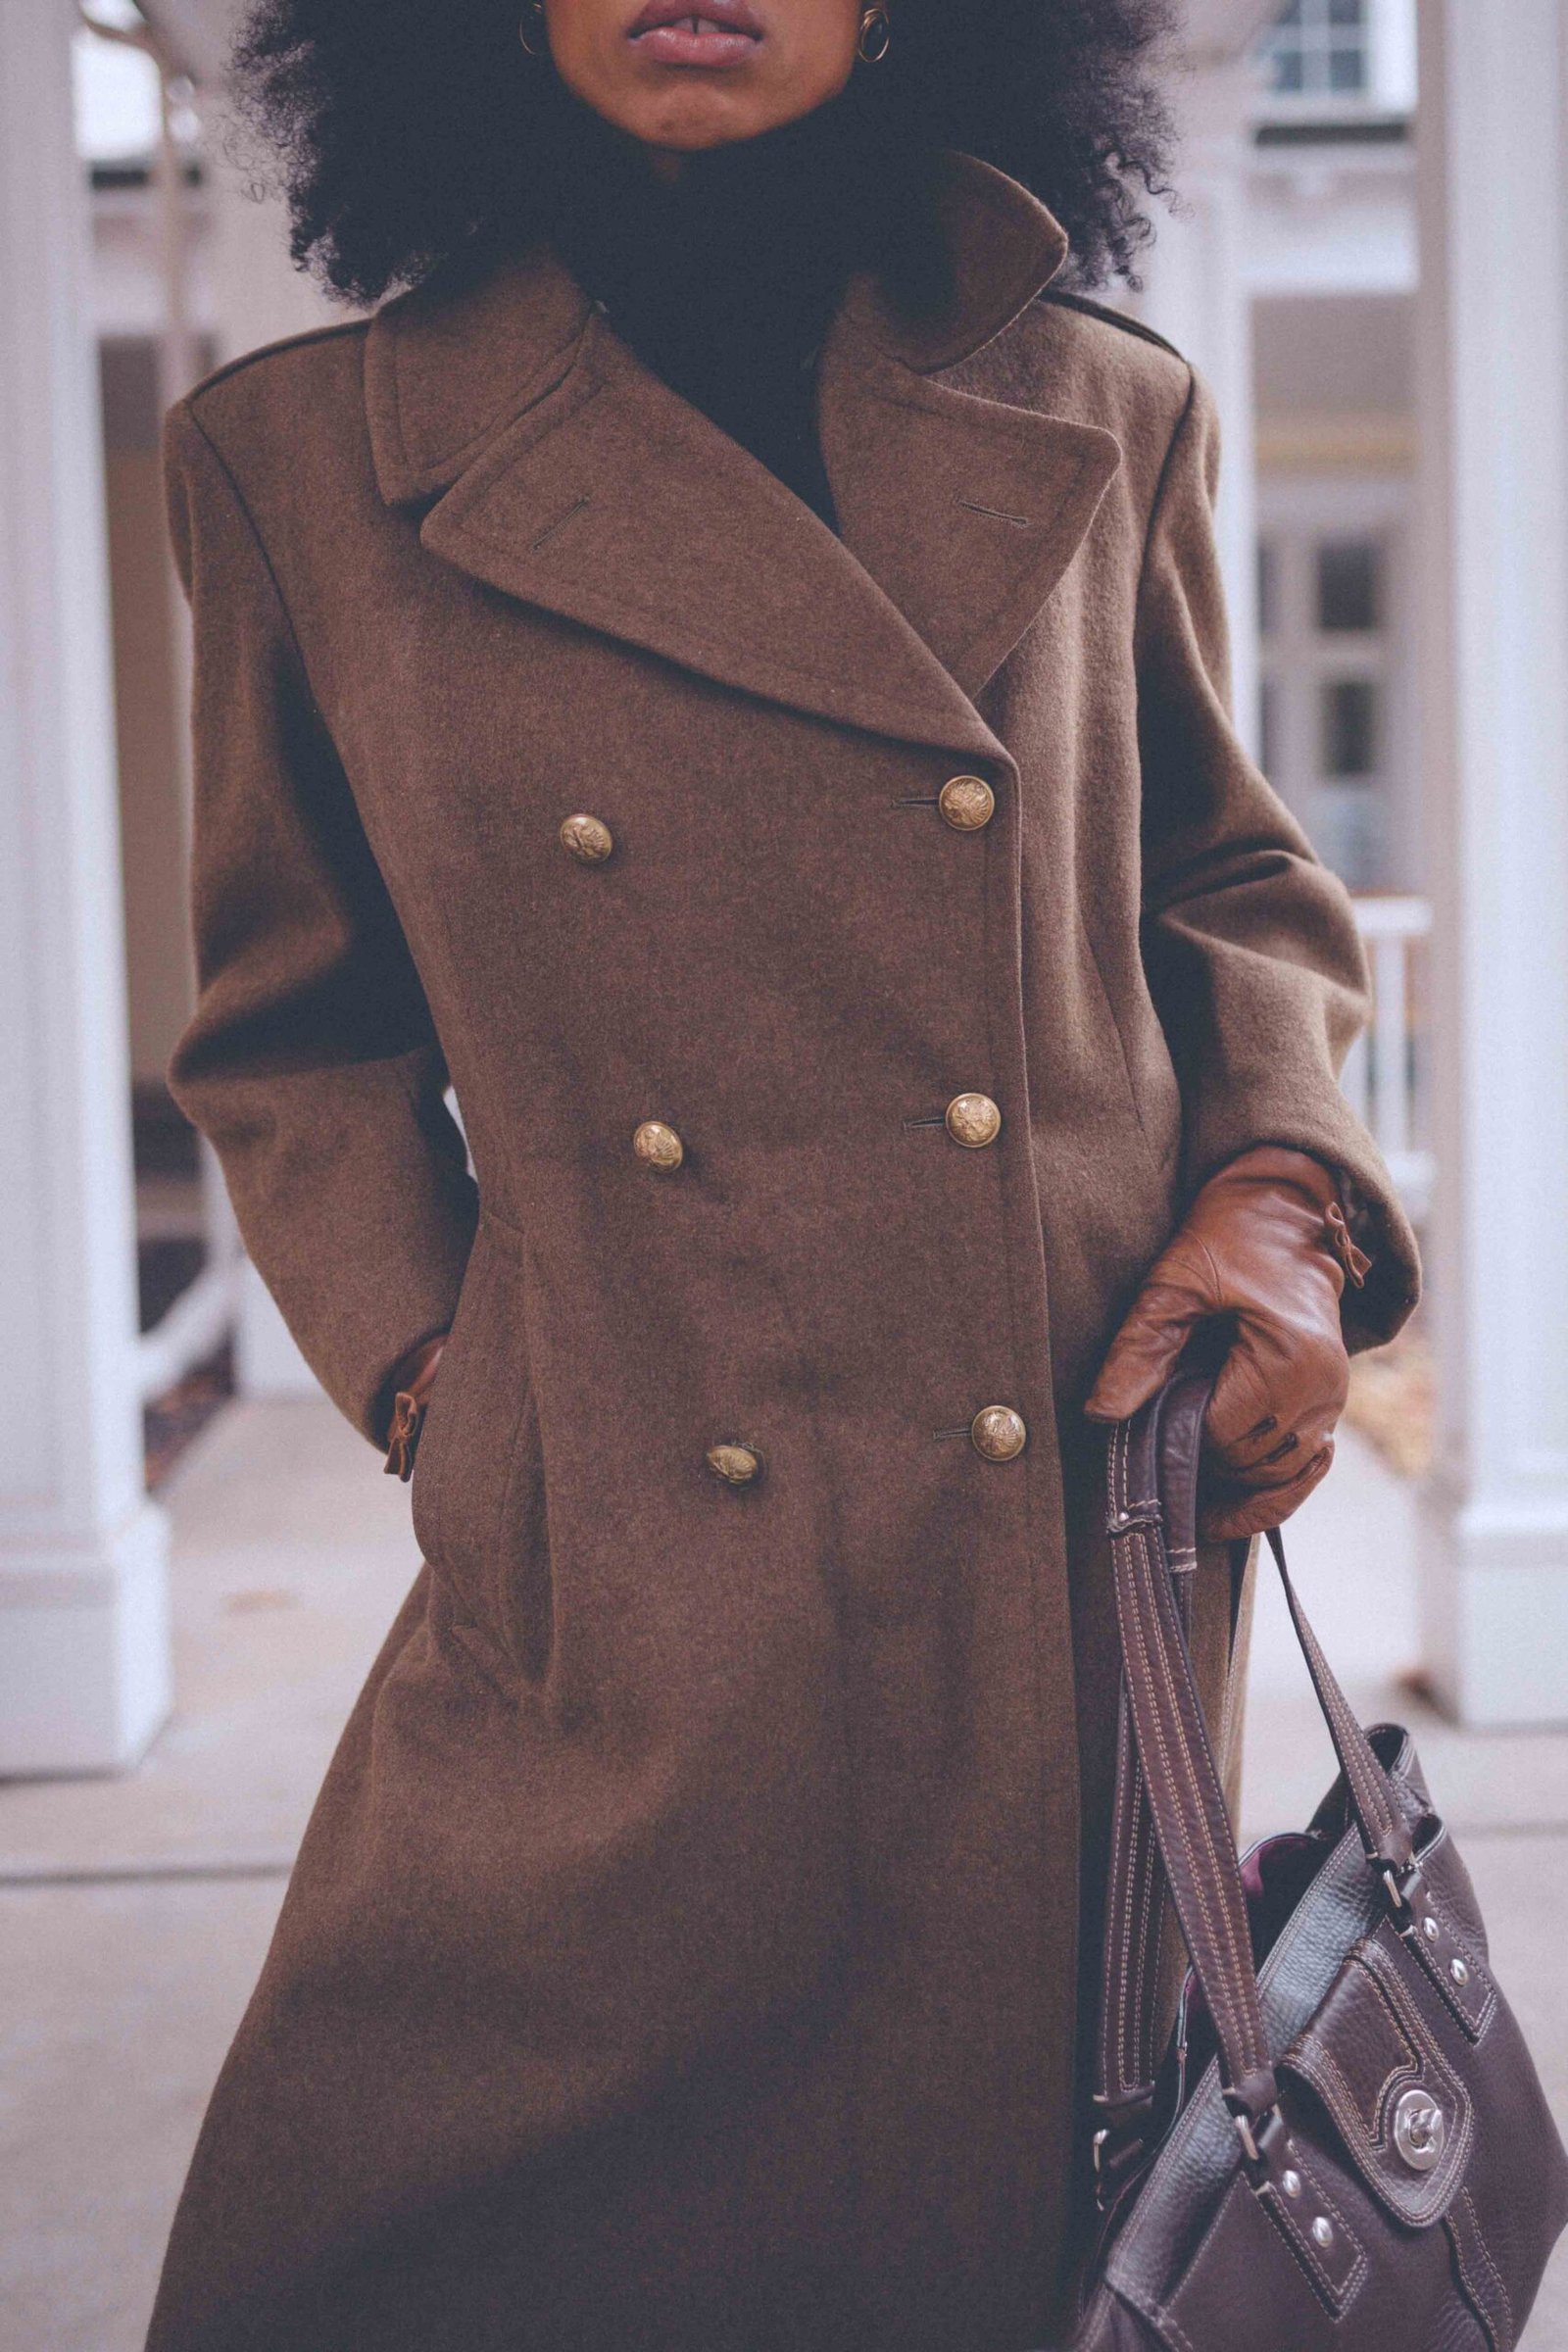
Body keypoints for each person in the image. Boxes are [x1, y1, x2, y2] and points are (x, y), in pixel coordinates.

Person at [145, 1, 1420, 2345]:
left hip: (1056, 1494)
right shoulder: (302, 462)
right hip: (634, 1511)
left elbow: (1232, 884)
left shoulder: (1099, 403)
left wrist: (1279, 1196)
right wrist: (456, 1397)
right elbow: (290, 1033)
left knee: (1015, 2224)